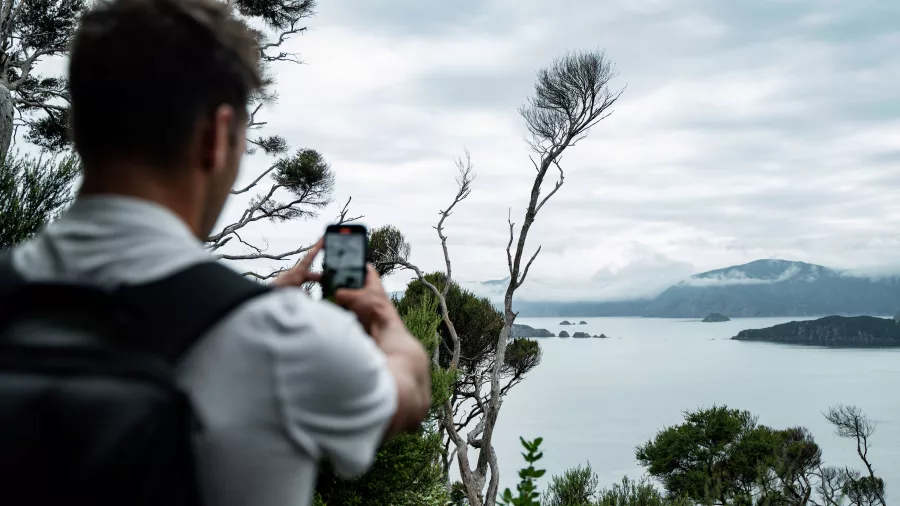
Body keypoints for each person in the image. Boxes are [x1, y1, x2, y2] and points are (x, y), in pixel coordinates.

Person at [3, 0, 431, 504]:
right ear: (215, 136)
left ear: (79, 128)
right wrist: (381, 314)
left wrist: (250, 301)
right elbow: (410, 393)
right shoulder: (283, 341)